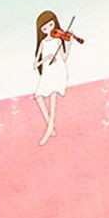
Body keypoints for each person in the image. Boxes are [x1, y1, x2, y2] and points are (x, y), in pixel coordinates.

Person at [33, 10, 72, 146]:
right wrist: (46, 58)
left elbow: (64, 58)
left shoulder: (58, 40)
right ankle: (51, 126)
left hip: (57, 71)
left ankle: (49, 130)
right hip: (47, 73)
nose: (48, 29)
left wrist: (70, 44)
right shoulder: (43, 42)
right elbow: (35, 65)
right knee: (38, 96)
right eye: (44, 28)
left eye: (50, 25)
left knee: (53, 99)